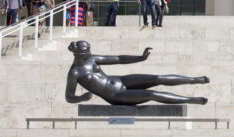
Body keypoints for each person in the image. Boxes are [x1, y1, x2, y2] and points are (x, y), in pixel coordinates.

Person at [64, 41, 209, 106]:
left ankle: (194, 79)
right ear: (77, 52)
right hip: (115, 96)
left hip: (121, 81)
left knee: (158, 78)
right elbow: (69, 97)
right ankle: (190, 100)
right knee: (152, 94)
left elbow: (119, 59)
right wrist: (81, 98)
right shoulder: (75, 72)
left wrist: (140, 58)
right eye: (85, 50)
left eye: (89, 49)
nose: (88, 52)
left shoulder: (92, 59)